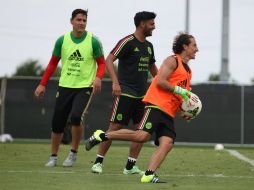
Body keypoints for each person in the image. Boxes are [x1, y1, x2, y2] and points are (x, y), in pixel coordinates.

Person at [85, 32, 199, 183]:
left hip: (169, 112)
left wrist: (183, 111)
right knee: (141, 136)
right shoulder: (173, 61)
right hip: (156, 105)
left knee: (167, 143)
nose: (197, 49)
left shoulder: (188, 71)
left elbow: (179, 96)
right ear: (185, 46)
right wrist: (181, 91)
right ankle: (102, 135)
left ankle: (149, 174)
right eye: (194, 45)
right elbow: (160, 81)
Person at [34, 9, 105, 167]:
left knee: (75, 117)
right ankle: (53, 156)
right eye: (78, 20)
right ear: (71, 21)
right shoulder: (62, 40)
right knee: (57, 123)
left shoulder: (93, 41)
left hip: (84, 86)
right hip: (65, 86)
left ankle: (73, 153)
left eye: (84, 20)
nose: (81, 23)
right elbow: (53, 63)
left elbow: (101, 63)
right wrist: (42, 83)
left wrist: (98, 78)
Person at [89, 11, 158, 175]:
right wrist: (115, 82)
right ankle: (98, 162)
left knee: (141, 131)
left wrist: (164, 83)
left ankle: (130, 167)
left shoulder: (149, 47)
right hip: (126, 92)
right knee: (115, 126)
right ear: (142, 24)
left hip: (142, 96)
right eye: (151, 23)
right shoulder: (127, 41)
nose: (154, 27)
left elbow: (153, 69)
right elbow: (109, 59)